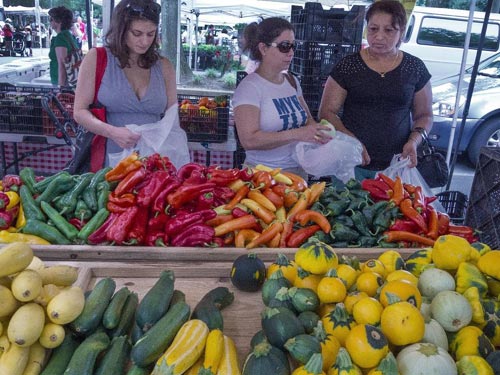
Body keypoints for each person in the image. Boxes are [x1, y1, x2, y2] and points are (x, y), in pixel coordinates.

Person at [318, 0, 433, 181]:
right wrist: (351, 141)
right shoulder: (348, 66)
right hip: (350, 163)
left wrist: (413, 141)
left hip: (396, 166)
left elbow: (424, 115)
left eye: (389, 30)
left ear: (401, 32)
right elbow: (326, 112)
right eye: (373, 29)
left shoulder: (414, 68)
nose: (379, 37)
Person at [73, 0, 179, 167]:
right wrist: (113, 132)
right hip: (107, 161)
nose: (144, 41)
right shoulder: (96, 58)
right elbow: (79, 112)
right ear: (121, 30)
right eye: (137, 33)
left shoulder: (164, 66)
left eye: (150, 34)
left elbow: (173, 119)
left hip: (154, 164)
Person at [232, 17, 332, 179]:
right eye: (284, 46)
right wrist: (298, 134)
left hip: (298, 174)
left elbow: (308, 122)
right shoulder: (250, 88)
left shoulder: (292, 81)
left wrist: (322, 134)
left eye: (293, 46)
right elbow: (249, 140)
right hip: (263, 177)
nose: (291, 52)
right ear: (263, 48)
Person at [48, 6, 79, 86]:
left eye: (51, 19)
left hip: (63, 82)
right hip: (72, 80)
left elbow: (62, 65)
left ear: (58, 21)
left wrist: (60, 88)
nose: (50, 22)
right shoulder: (69, 35)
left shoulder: (60, 38)